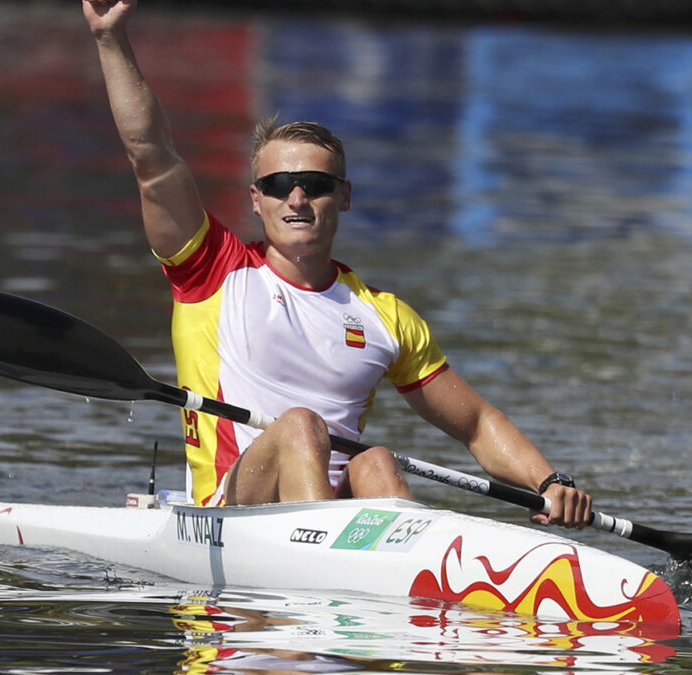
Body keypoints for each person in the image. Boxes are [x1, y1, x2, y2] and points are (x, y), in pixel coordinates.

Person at [82, 0, 592, 528]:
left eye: (316, 186)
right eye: (279, 186)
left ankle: (389, 574)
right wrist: (109, 39)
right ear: (256, 200)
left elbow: (477, 424)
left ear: (343, 197)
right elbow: (151, 156)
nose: (297, 199)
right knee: (302, 424)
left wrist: (551, 483)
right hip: (229, 513)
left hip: (331, 515)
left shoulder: (385, 317)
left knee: (376, 461)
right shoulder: (212, 269)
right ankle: (331, 564)